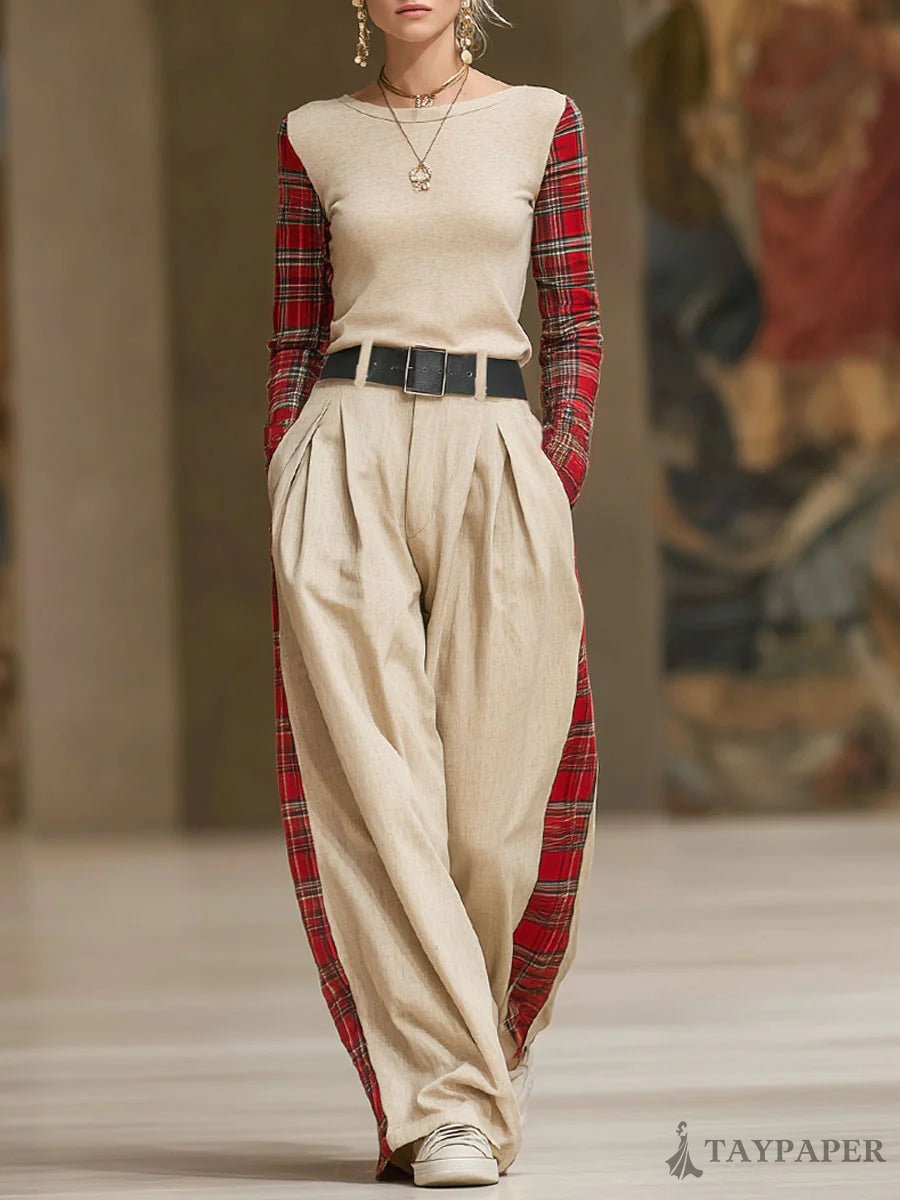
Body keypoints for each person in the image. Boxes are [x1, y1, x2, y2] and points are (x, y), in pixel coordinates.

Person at [264, 0, 603, 1187]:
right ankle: (450, 1106)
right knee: (378, 795)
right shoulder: (312, 134)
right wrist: (287, 466)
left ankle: (471, 1053)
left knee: (492, 825)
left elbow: (576, 320)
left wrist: (555, 471)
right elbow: (292, 330)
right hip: (346, 443)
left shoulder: (543, 122)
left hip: (495, 447)